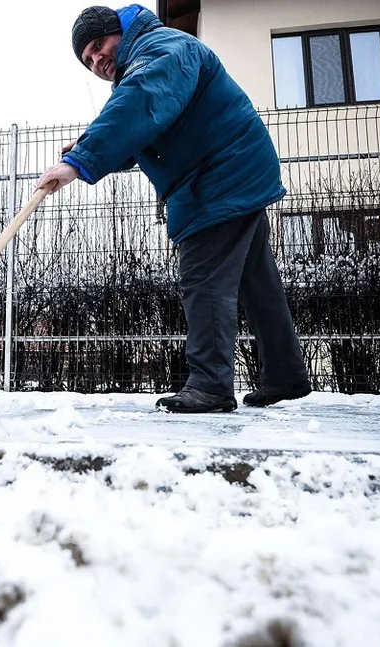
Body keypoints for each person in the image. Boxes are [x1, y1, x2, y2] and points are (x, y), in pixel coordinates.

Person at [35, 4, 311, 413]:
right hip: (235, 172)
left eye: (99, 45)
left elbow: (142, 101)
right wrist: (87, 148)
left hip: (219, 177)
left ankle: (211, 387)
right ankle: (285, 377)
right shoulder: (148, 60)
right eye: (88, 60)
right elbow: (145, 125)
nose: (98, 61)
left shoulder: (161, 48)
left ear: (119, 31)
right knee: (256, 282)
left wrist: (84, 159)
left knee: (204, 278)